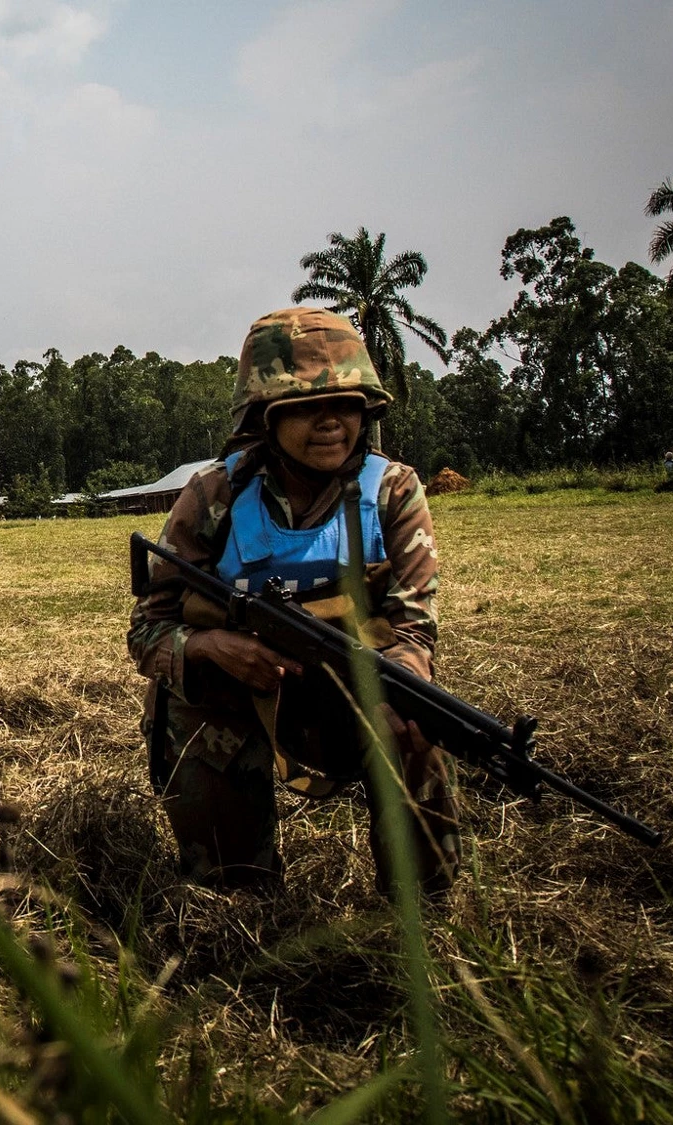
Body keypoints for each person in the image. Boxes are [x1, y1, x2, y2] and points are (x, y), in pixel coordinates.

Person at [126, 307, 458, 896]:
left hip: (355, 694)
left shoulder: (392, 492)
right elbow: (148, 633)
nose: (331, 424)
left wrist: (401, 684)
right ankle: (242, 893)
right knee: (233, 893)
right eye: (308, 407)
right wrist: (210, 646)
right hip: (237, 704)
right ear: (267, 416)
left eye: (347, 405)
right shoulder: (214, 498)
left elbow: (415, 629)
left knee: (417, 723)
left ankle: (420, 915)